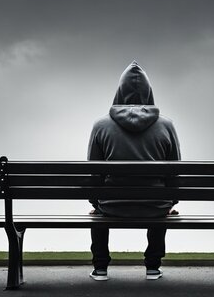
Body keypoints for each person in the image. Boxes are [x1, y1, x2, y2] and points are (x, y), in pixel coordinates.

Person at [87, 61, 181, 281]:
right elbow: (174, 171)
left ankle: (100, 267)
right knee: (159, 200)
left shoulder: (100, 125)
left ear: (119, 92)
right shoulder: (166, 125)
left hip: (111, 205)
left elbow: (94, 173)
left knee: (99, 211)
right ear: (149, 93)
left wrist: (96, 204)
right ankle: (153, 266)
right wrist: (170, 202)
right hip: (155, 205)